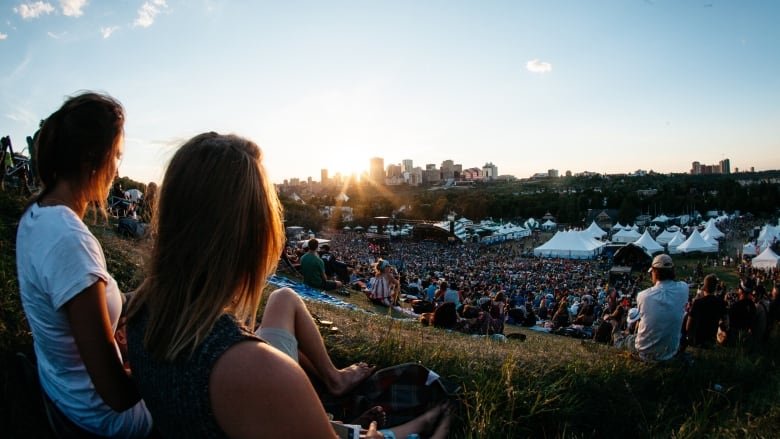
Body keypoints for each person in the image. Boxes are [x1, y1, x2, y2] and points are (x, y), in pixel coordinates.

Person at [125, 132, 452, 438]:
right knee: (429, 418)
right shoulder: (263, 372)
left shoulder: (139, 310)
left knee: (283, 297)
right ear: (256, 234)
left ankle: (335, 379)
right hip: (253, 391)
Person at [15, 92, 153, 437]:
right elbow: (117, 395)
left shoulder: (37, 213)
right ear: (94, 158)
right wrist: (163, 367)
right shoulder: (69, 241)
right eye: (116, 156)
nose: (117, 169)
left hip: (62, 387)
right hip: (99, 418)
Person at [615, 254, 688, 362]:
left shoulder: (643, 296)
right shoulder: (684, 288)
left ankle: (615, 333)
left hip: (645, 353)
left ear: (654, 272)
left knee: (622, 339)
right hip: (670, 350)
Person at [685, 274, 727, 347]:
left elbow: (688, 326)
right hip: (712, 340)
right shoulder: (721, 303)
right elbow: (726, 323)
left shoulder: (697, 303)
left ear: (704, 287)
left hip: (696, 341)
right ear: (715, 288)